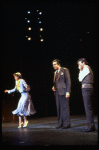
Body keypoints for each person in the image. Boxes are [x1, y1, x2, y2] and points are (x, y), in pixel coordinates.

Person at [52, 59, 71, 129]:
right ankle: (60, 123)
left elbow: (68, 82)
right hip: (57, 92)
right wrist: (53, 87)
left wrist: (68, 91)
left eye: (55, 64)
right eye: (53, 65)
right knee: (59, 108)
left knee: (65, 108)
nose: (53, 66)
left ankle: (66, 124)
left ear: (58, 64)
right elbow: (55, 82)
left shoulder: (64, 70)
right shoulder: (55, 72)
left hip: (63, 92)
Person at [77, 58, 95, 132]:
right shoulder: (85, 69)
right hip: (86, 88)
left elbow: (80, 79)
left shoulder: (86, 68)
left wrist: (80, 70)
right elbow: (79, 79)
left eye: (79, 64)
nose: (79, 65)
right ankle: (91, 125)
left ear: (83, 63)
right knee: (88, 107)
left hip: (87, 88)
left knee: (88, 108)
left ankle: (91, 126)